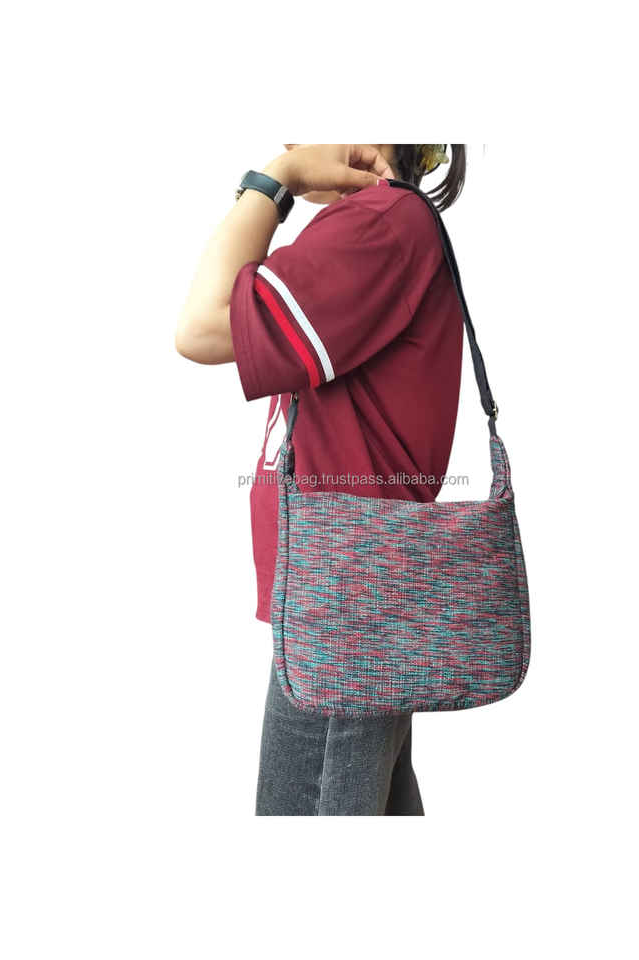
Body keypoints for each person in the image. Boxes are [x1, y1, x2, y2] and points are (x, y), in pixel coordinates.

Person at [177, 144, 468, 815]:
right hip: (352, 595)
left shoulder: (375, 226)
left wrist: (275, 181)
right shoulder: (387, 225)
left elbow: (202, 327)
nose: (291, 141)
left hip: (342, 606)